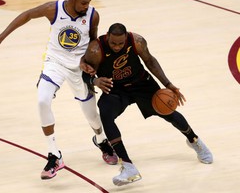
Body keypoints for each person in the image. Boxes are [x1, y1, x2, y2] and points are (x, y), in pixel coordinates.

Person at [0, 0, 118, 180]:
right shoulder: (53, 9)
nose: (87, 6)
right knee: (42, 101)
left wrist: (89, 65)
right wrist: (1, 37)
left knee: (92, 116)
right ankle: (54, 155)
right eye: (83, 3)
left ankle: (101, 139)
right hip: (55, 63)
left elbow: (93, 41)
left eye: (88, 2)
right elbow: (27, 15)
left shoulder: (93, 15)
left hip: (78, 67)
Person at [80, 23, 213, 186]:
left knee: (168, 112)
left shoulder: (137, 41)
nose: (117, 47)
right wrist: (95, 80)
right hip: (115, 88)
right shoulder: (96, 50)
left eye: (121, 43)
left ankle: (194, 141)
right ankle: (128, 166)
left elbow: (150, 61)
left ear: (126, 37)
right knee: (106, 114)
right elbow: (84, 74)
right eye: (113, 43)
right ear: (107, 36)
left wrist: (168, 84)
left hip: (141, 83)